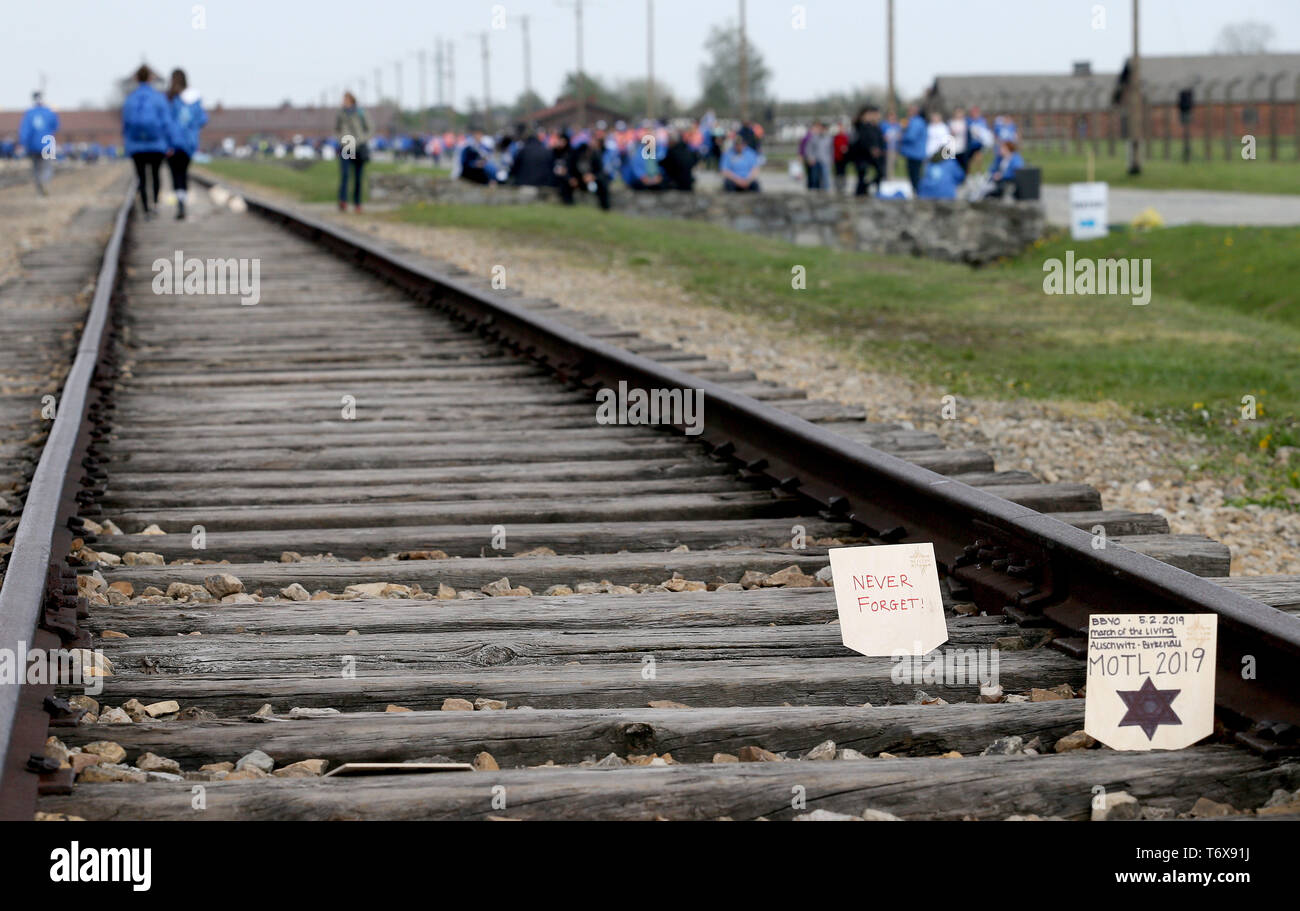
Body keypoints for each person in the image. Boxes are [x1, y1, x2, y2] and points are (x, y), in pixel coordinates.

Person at [121, 66, 171, 218]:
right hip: (156, 145)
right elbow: (166, 122)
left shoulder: (130, 99)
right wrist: (169, 143)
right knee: (155, 175)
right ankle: (155, 204)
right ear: (151, 78)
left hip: (137, 146)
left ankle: (145, 208)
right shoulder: (158, 98)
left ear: (136, 79)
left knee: (141, 177)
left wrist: (128, 145)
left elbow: (126, 125)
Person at [165, 69, 206, 220]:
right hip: (189, 143)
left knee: (175, 175)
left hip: (172, 143)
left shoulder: (170, 98)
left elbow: (165, 121)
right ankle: (183, 203)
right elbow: (202, 119)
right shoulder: (195, 98)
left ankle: (180, 204)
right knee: (183, 174)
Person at [335, 91, 371, 211]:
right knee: (345, 174)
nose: (344, 102)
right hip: (346, 145)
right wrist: (341, 139)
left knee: (358, 176)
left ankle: (357, 202)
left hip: (359, 146)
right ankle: (343, 200)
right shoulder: (341, 113)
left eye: (346, 100)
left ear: (352, 100)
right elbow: (337, 128)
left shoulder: (360, 112)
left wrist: (362, 139)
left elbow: (369, 128)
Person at [560, 128, 612, 210]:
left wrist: (593, 176)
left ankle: (605, 208)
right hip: (577, 179)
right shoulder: (577, 152)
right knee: (564, 183)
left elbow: (601, 172)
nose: (594, 143)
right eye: (593, 139)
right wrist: (571, 178)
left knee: (603, 184)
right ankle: (568, 204)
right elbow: (568, 167)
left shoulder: (597, 155)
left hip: (590, 180)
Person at [19, 91, 59, 196]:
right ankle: (45, 181)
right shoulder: (49, 112)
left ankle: (39, 186)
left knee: (36, 167)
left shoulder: (29, 114)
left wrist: (23, 143)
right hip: (47, 144)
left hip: (33, 146)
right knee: (47, 166)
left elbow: (25, 131)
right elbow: (55, 126)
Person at [849, 105, 884, 197]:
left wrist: (878, 149)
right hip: (861, 155)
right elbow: (860, 141)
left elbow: (877, 139)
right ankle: (860, 192)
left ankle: (865, 189)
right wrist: (871, 149)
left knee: (880, 172)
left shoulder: (874, 126)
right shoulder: (859, 126)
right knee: (862, 175)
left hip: (870, 155)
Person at [898, 103, 928, 193]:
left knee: (915, 175)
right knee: (915, 175)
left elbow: (911, 136)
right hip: (915, 152)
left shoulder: (916, 122)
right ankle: (917, 191)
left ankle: (918, 193)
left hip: (915, 153)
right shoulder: (915, 121)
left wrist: (902, 136)